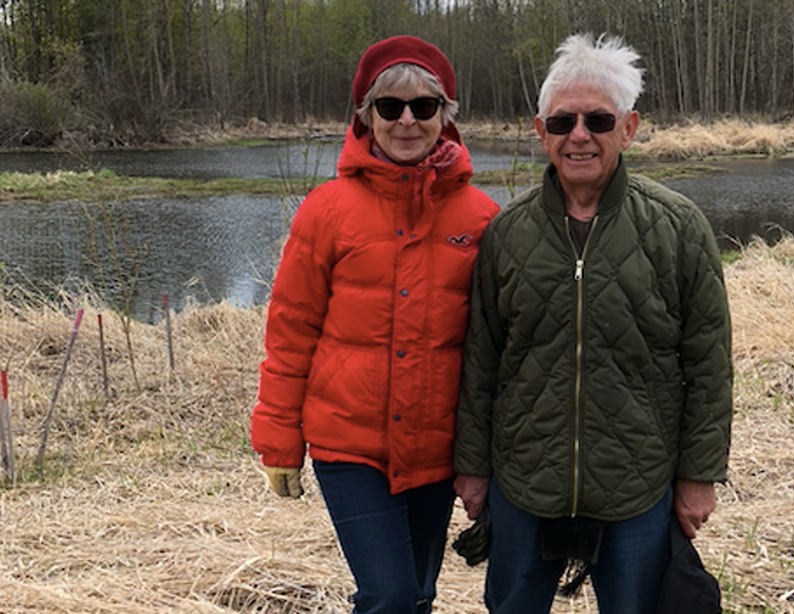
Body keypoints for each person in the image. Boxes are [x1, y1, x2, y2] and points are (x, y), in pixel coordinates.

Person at [453, 33, 732, 614]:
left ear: (629, 128)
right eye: (562, 122)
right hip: (525, 482)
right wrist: (473, 468)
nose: (579, 135)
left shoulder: (678, 228)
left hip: (638, 485)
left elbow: (708, 365)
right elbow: (481, 362)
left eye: (598, 120)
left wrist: (698, 476)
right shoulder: (508, 234)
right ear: (540, 132)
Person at [251, 35, 499, 614]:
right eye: (390, 107)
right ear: (366, 116)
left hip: (439, 446)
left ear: (446, 117)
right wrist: (279, 439)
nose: (407, 120)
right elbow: (291, 332)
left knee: (418, 594)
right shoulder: (326, 211)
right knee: (387, 596)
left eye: (424, 106)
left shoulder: (482, 218)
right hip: (348, 445)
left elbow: (498, 348)